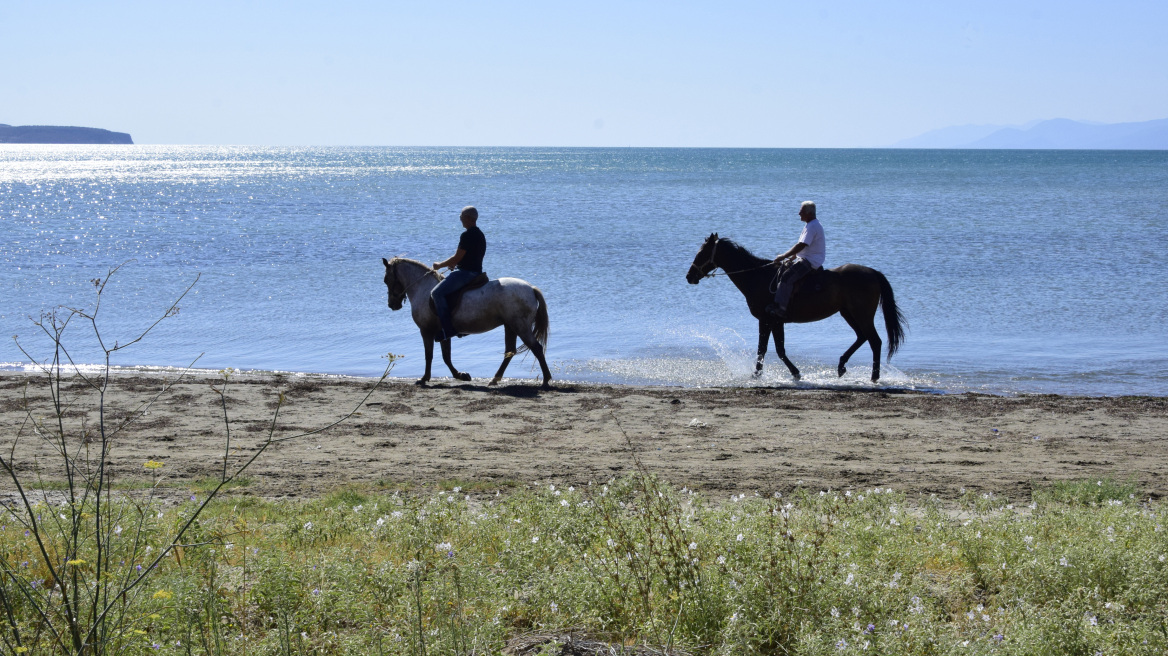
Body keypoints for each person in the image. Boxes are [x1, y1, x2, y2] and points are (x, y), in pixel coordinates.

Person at [430, 206, 487, 342]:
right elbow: (469, 256)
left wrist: (439, 265)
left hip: (466, 273)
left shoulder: (466, 235)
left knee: (436, 293)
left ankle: (448, 329)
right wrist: (456, 263)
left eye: (461, 217)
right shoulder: (480, 234)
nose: (460, 220)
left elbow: (456, 258)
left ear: (468, 218)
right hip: (477, 271)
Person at [765, 200, 825, 321]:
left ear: (809, 213)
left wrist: (783, 256)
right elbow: (804, 248)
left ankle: (780, 308)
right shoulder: (810, 224)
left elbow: (801, 245)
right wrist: (792, 258)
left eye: (801, 211)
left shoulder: (813, 226)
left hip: (810, 261)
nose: (799, 213)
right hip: (806, 258)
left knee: (787, 277)